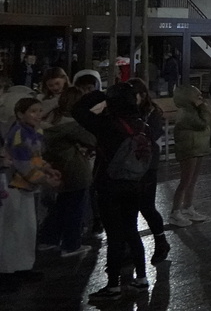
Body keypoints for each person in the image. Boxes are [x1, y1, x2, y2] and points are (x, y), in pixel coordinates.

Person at [73, 83, 150, 299]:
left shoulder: (105, 124)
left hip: (109, 184)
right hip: (135, 183)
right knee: (131, 230)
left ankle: (113, 286)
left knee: (114, 235)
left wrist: (100, 95)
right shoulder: (141, 124)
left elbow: (77, 110)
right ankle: (142, 278)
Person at [0, 97, 60, 287]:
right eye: (33, 111)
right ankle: (7, 270)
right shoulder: (19, 134)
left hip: (26, 186)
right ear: (20, 114)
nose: (38, 115)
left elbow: (35, 158)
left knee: (27, 228)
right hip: (14, 186)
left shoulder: (35, 132)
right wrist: (44, 179)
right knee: (12, 230)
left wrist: (47, 169)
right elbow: (23, 164)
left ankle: (23, 266)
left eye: (39, 111)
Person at [38, 87, 94, 259]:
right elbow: (92, 140)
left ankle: (49, 238)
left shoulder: (51, 120)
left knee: (61, 206)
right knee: (75, 209)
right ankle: (71, 244)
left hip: (58, 167)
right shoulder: (73, 125)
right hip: (76, 169)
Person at [127, 79, 170, 263]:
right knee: (129, 208)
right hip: (128, 165)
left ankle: (161, 241)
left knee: (146, 206)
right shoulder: (127, 111)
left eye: (133, 96)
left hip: (147, 164)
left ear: (143, 95)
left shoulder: (152, 112)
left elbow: (152, 134)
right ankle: (130, 248)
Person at [170, 83, 211, 227]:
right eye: (197, 95)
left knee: (192, 180)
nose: (200, 98)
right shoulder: (186, 112)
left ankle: (188, 207)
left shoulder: (193, 110)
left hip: (197, 147)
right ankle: (175, 212)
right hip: (189, 149)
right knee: (185, 181)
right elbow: (203, 123)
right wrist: (203, 107)